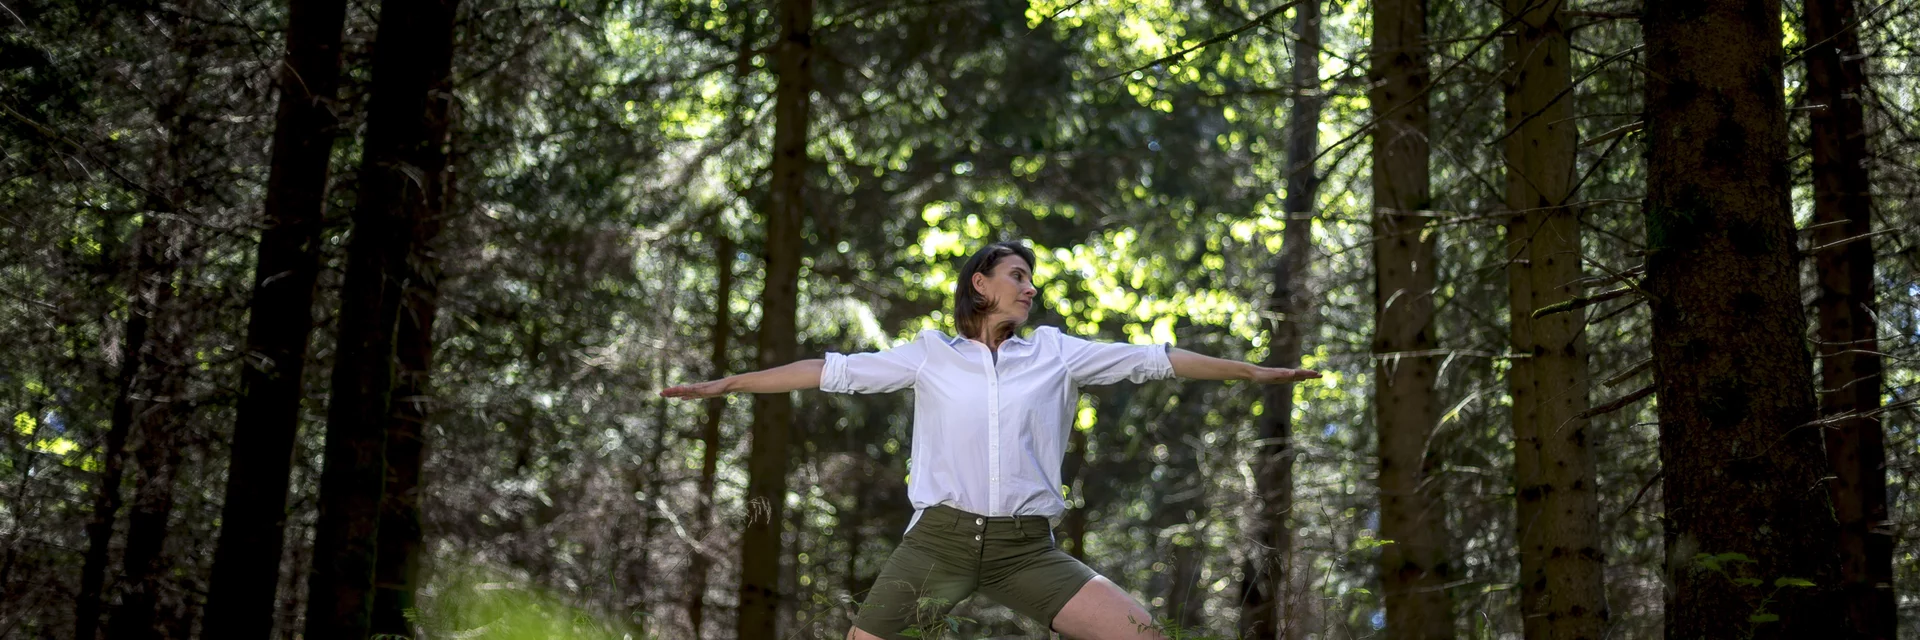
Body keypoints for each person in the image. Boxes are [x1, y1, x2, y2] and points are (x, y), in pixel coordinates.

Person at [662, 241, 1322, 640]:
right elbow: (831, 371)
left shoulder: (1058, 355)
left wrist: (1251, 371)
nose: (1030, 289)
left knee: (1143, 633)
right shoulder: (929, 355)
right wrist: (732, 384)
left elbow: (1158, 359)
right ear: (980, 284)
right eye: (1017, 276)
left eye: (1033, 281)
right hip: (940, 543)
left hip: (1024, 551)